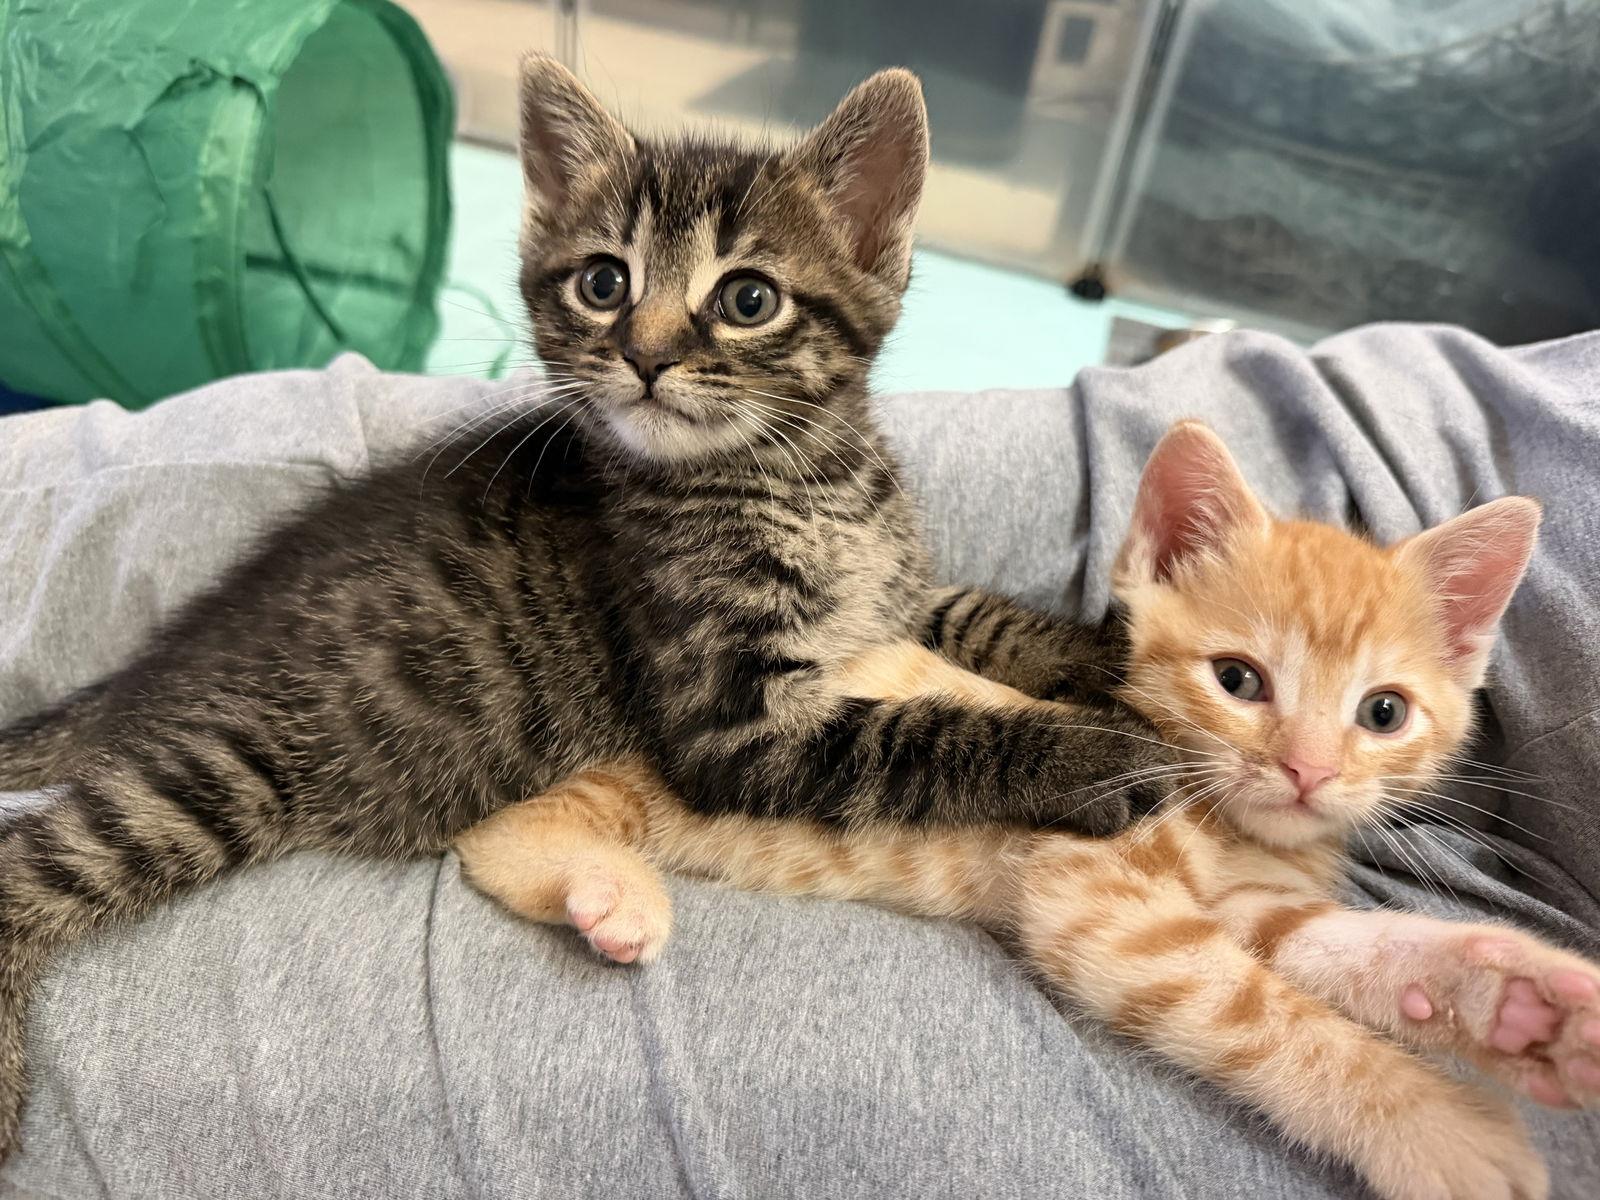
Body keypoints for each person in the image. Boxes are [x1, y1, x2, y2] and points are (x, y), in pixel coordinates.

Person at [2, 323, 1596, 1197]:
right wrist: (1379, 1097)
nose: (1310, 762)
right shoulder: (1116, 748)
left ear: (1451, 676)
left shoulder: (1261, 803)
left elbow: (1240, 919)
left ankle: (557, 826)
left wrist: (1428, 971)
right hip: (589, 689)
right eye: (1255, 688)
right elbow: (1109, 921)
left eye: (1382, 715)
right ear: (1159, 569)